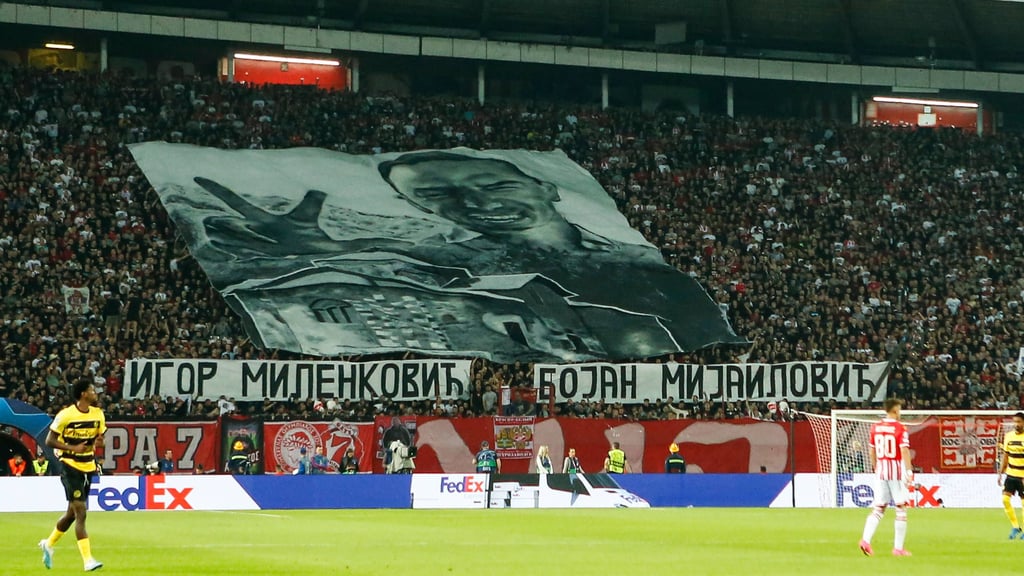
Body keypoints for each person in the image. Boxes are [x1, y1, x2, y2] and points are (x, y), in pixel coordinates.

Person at [38, 380, 106, 571]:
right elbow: (49, 440)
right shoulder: (65, 415)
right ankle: (88, 560)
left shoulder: (98, 414)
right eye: (91, 390)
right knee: (81, 512)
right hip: (69, 466)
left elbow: (100, 439)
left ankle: (48, 544)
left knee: (71, 514)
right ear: (83, 394)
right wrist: (72, 448)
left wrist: (100, 442)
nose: (95, 392)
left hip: (88, 466)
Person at [859, 398, 914, 557]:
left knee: (879, 508)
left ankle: (865, 540)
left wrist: (876, 467)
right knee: (901, 509)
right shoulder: (900, 428)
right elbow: (904, 450)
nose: (900, 412)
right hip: (896, 471)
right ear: (895, 410)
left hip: (881, 471)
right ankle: (898, 548)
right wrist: (909, 472)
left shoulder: (875, 427)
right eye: (899, 409)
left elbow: (871, 450)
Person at [998, 411, 1024, 539]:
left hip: (1023, 475)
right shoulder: (1008, 436)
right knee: (1005, 499)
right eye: (1015, 422)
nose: (1016, 424)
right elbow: (1005, 455)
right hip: (1011, 474)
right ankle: (1015, 527)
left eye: (1019, 422)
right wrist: (1000, 472)